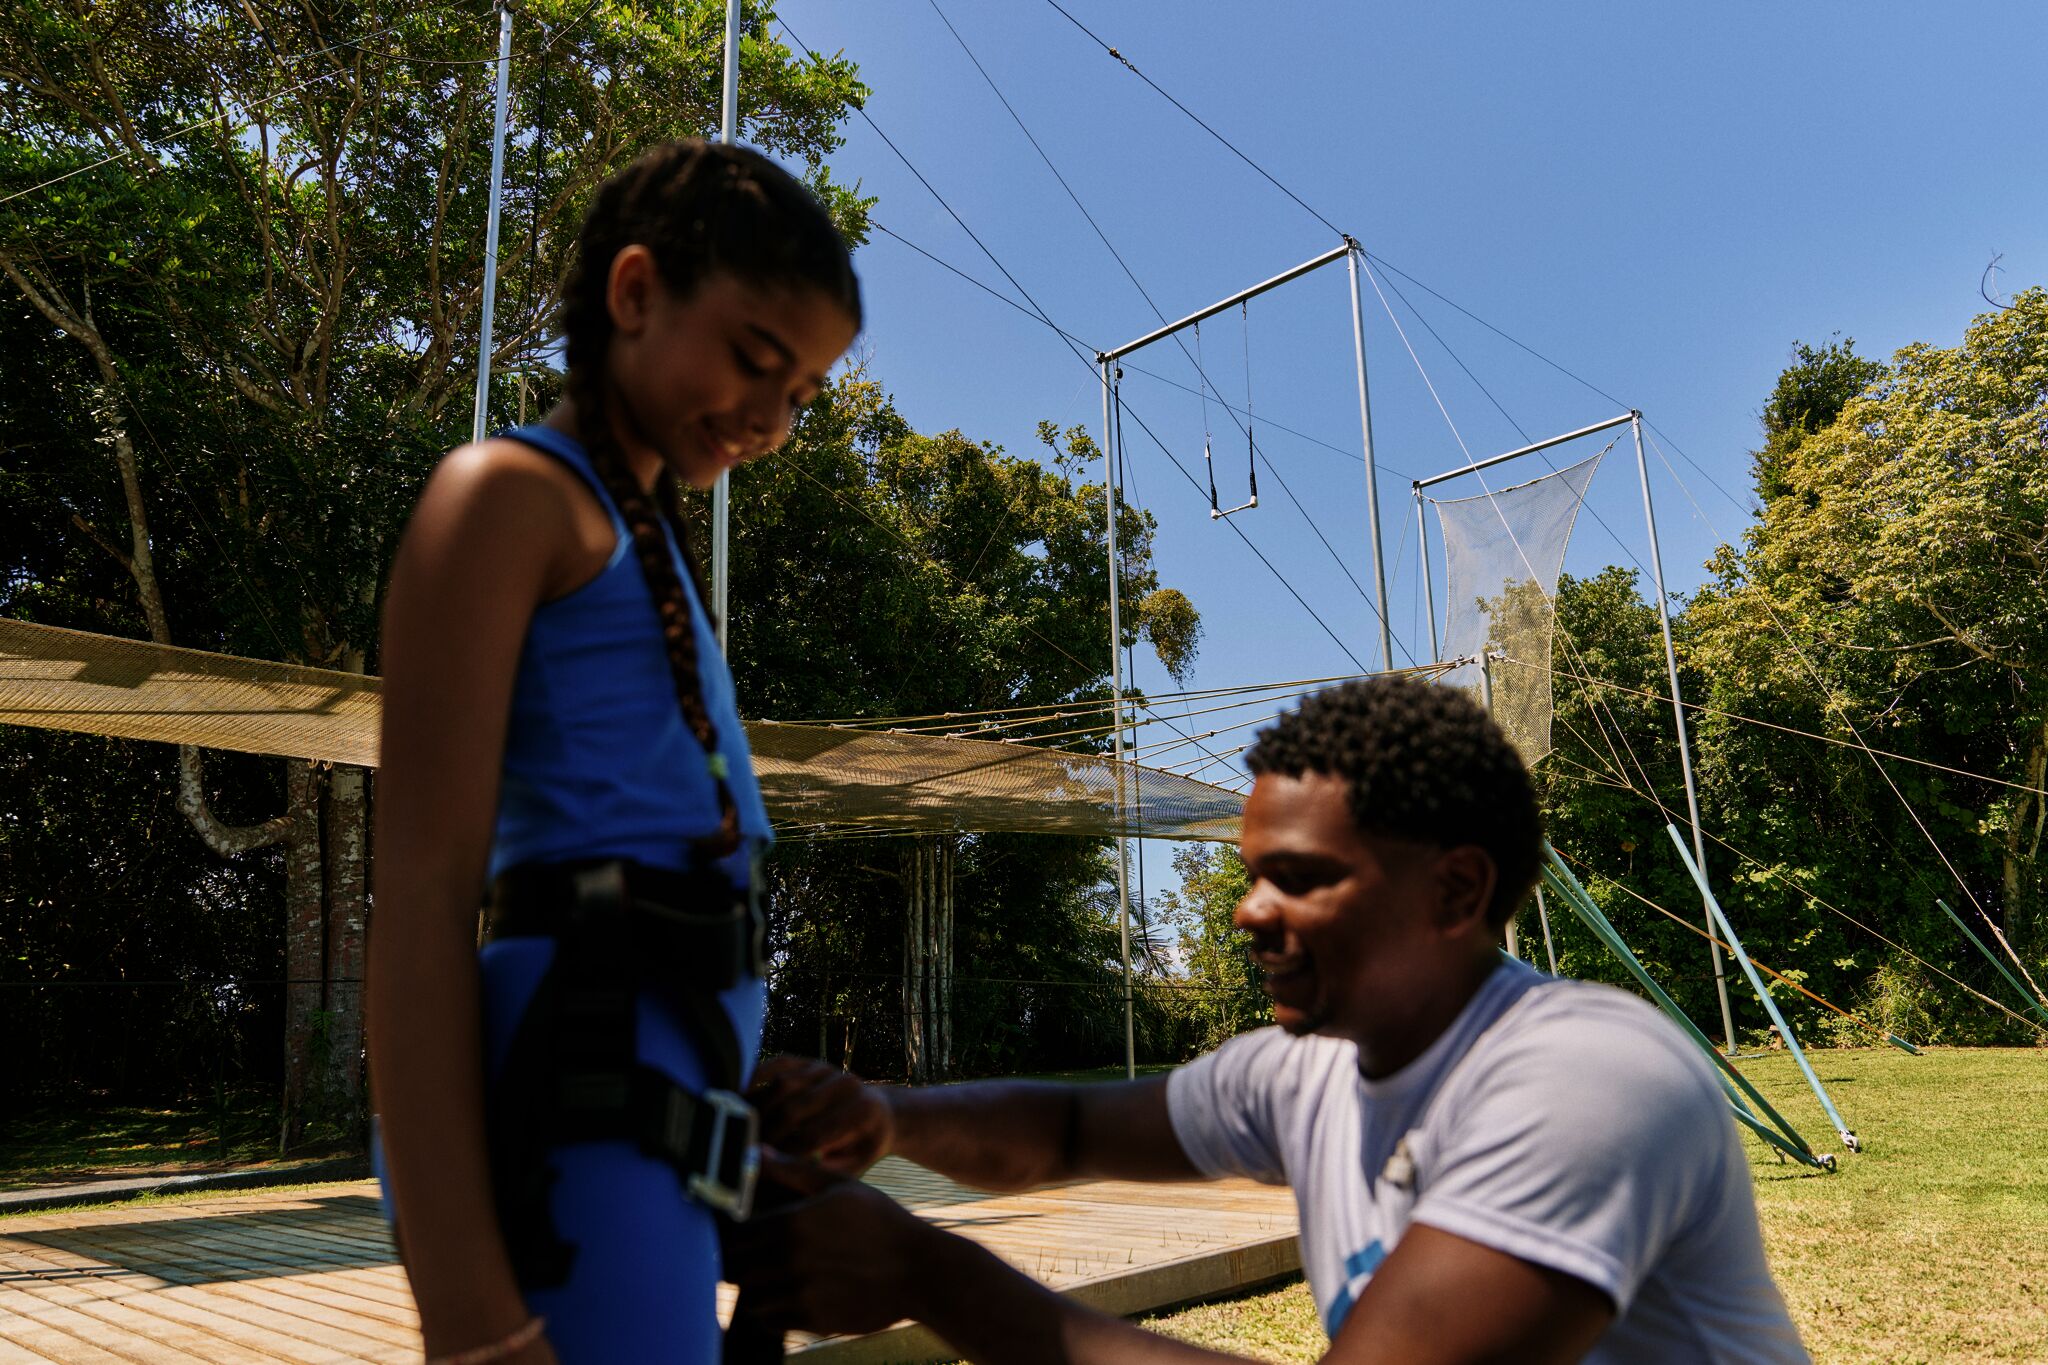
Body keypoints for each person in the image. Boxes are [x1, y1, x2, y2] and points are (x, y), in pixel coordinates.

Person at [732, 677, 1810, 1364]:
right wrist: (882, 1119)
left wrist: (935, 1276)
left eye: (1297, 878)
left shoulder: (1586, 1080)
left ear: (1453, 890)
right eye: (1251, 876)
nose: (1248, 910)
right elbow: (1059, 1134)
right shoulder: (1302, 1073)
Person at [368, 139, 859, 1365]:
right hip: (574, 1105)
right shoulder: (504, 496)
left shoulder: (643, 540)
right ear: (633, 292)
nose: (769, 415)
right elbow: (421, 901)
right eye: (755, 359)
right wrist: (472, 1318)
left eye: (799, 394)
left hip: (658, 1115)